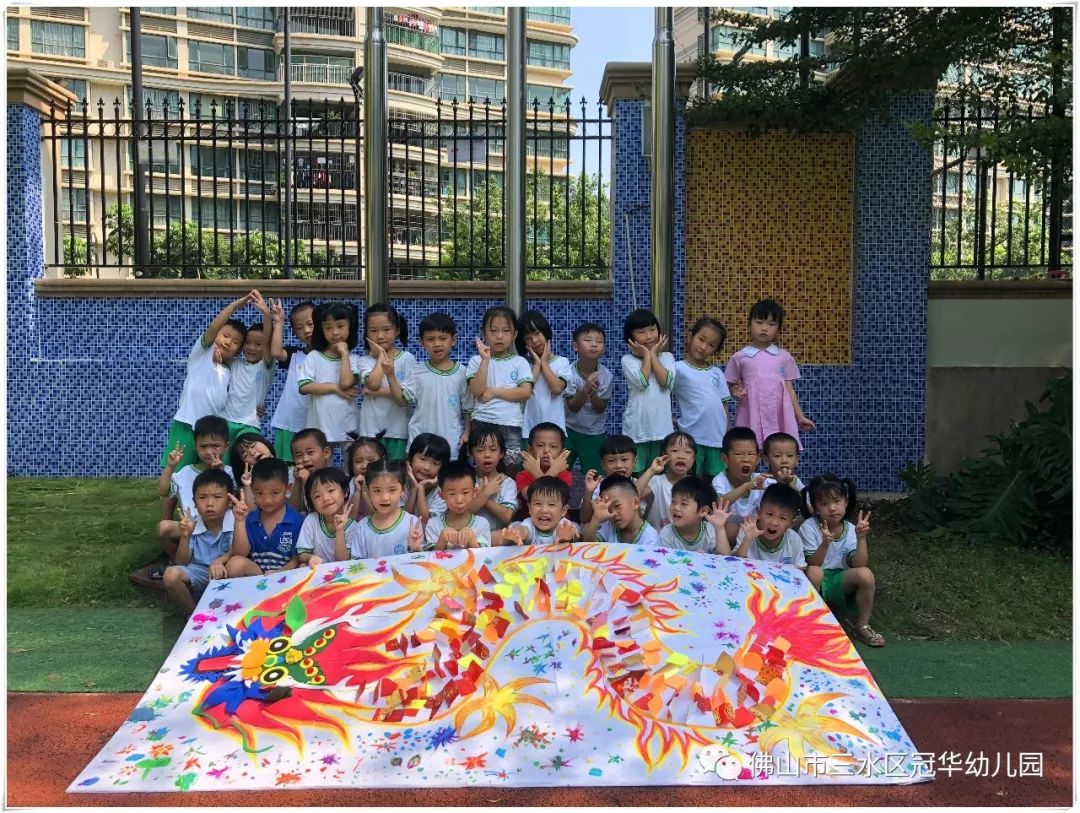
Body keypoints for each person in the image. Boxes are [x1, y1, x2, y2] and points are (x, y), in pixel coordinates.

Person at [160, 291, 252, 471]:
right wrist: (234, 306)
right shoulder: (201, 355)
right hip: (186, 423)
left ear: (238, 351)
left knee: (210, 474)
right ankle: (171, 499)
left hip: (211, 432)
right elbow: (212, 328)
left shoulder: (231, 369)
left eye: (235, 342)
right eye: (225, 335)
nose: (227, 342)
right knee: (175, 471)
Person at [800, 475, 883, 647]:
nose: (832, 508)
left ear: (845, 501)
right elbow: (812, 562)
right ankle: (810, 623)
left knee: (866, 574)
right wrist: (825, 544)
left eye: (837, 501)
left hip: (840, 580)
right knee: (815, 571)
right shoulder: (808, 527)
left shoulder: (852, 529)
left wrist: (861, 539)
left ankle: (863, 625)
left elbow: (858, 564)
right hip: (816, 581)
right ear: (815, 508)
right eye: (824, 504)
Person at [725, 298, 815, 450]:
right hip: (750, 413)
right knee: (749, 450)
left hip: (778, 414)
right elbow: (731, 383)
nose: (764, 328)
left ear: (778, 329)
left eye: (771, 324)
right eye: (759, 322)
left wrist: (800, 416)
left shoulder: (783, 357)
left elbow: (790, 390)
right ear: (749, 324)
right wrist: (736, 393)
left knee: (778, 452)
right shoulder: (740, 357)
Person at [466, 306, 534, 470]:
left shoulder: (520, 362)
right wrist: (485, 360)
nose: (499, 336)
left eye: (505, 331)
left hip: (510, 424)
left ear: (514, 334)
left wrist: (494, 391)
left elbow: (525, 392)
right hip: (481, 422)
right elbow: (477, 390)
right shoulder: (477, 360)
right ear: (484, 333)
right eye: (493, 330)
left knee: (511, 469)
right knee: (482, 470)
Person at [158, 415, 233, 561]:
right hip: (191, 526)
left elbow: (234, 500)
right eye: (203, 446)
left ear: (226, 446)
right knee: (163, 528)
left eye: (215, 446)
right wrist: (171, 466)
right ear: (195, 446)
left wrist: (220, 472)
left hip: (221, 528)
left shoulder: (229, 472)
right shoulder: (185, 472)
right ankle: (177, 561)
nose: (209, 451)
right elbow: (163, 491)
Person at [162, 468, 235, 614]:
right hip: (199, 572)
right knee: (170, 575)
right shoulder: (192, 524)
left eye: (217, 497)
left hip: (228, 571)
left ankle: (230, 610)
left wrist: (221, 560)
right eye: (202, 498)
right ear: (194, 502)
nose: (209, 503)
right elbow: (182, 562)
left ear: (229, 501)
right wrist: (185, 536)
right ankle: (194, 614)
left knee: (237, 565)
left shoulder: (235, 521)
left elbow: (241, 550)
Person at [403, 312, 472, 458]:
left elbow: (468, 409)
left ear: (453, 340)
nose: (437, 344)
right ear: (421, 342)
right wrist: (390, 374)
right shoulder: (416, 371)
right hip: (420, 440)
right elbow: (402, 400)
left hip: (452, 442)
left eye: (443, 338)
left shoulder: (463, 373)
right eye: (430, 339)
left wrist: (467, 432)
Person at [672, 316, 732, 478]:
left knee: (717, 480)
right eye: (701, 339)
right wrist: (669, 418)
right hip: (693, 437)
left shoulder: (717, 373)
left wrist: (727, 432)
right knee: (693, 479)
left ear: (716, 350)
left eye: (711, 345)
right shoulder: (678, 368)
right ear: (691, 337)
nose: (703, 347)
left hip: (717, 439)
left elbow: (724, 406)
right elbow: (662, 392)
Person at [224, 458, 303, 577]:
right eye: (259, 493)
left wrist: (279, 573)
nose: (267, 500)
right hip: (258, 577)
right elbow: (240, 553)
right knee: (234, 563)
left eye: (275, 493)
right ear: (252, 490)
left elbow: (298, 559)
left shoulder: (297, 520)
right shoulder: (250, 518)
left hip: (288, 576)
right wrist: (240, 521)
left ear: (288, 488)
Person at [357, 304, 415, 462]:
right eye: (373, 331)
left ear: (397, 330)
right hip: (370, 429)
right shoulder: (364, 361)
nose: (380, 336)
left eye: (386, 329)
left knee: (396, 475)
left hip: (398, 429)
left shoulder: (407, 358)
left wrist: (377, 393)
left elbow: (404, 398)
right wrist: (382, 356)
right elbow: (373, 384)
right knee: (371, 474)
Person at [298, 302, 361, 446]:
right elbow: (304, 387)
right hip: (320, 425)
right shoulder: (314, 356)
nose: (335, 332)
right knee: (321, 466)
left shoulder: (355, 360)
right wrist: (334, 388)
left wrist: (345, 354)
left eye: (340, 326)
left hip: (348, 423)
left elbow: (346, 383)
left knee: (351, 466)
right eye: (328, 328)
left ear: (350, 328)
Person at [620, 308, 675, 472]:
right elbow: (642, 382)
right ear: (631, 338)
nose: (650, 336)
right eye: (642, 332)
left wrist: (652, 356)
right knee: (636, 474)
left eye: (652, 329)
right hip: (637, 430)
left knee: (659, 474)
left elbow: (666, 383)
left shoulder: (667, 358)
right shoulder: (628, 360)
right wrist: (647, 355)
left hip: (662, 430)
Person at [222, 291, 273, 445]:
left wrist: (265, 312)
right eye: (248, 342)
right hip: (226, 422)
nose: (251, 347)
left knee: (246, 463)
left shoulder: (265, 367)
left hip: (249, 424)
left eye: (258, 344)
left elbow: (269, 341)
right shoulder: (234, 363)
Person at [268, 299, 316, 461]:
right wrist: (279, 323)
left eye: (311, 324)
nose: (307, 331)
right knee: (286, 469)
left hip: (314, 425)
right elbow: (275, 352)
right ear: (294, 333)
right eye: (300, 328)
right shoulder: (295, 355)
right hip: (289, 423)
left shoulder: (331, 357)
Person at [563, 322, 612, 475]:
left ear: (603, 349)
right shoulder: (568, 373)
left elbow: (600, 408)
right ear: (575, 346)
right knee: (560, 472)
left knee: (594, 476)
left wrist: (593, 393)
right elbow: (573, 406)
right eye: (588, 340)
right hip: (568, 430)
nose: (594, 344)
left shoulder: (606, 376)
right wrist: (585, 389)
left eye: (599, 341)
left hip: (594, 434)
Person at [349, 460, 423, 558]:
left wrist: (415, 549)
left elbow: (419, 564)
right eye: (377, 490)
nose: (384, 497)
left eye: (392, 490)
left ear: (403, 490)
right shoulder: (361, 527)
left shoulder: (412, 523)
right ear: (368, 491)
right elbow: (356, 565)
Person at [517, 309, 572, 439]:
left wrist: (544, 363)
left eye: (537, 333)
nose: (535, 340)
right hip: (528, 431)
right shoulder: (522, 363)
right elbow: (525, 392)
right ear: (523, 344)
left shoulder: (562, 362)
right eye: (528, 338)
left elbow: (557, 388)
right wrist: (536, 365)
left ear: (545, 332)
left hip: (556, 431)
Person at [711, 427, 768, 541]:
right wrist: (746, 487)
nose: (746, 459)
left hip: (753, 534)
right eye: (739, 454)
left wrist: (786, 483)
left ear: (758, 459)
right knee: (733, 526)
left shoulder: (762, 480)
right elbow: (719, 504)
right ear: (725, 458)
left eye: (751, 454)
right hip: (727, 535)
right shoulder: (720, 480)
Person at [296, 467, 360, 567]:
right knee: (303, 565)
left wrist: (339, 530)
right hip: (317, 574)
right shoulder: (311, 520)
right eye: (317, 496)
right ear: (311, 502)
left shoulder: (354, 528)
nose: (325, 498)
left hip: (343, 574)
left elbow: (343, 562)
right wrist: (310, 558)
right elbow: (302, 554)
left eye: (330, 490)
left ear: (345, 492)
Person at [732, 483, 806, 569]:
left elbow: (800, 570)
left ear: (792, 524)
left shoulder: (794, 540)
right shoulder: (748, 530)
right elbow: (735, 564)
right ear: (759, 512)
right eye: (770, 514)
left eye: (783, 518)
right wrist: (747, 539)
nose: (774, 522)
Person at [424, 460, 492, 550]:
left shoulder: (482, 524)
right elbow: (431, 559)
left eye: (465, 492)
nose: (459, 500)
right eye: (452, 494)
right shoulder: (434, 524)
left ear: (475, 492)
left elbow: (484, 558)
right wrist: (442, 539)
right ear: (442, 495)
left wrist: (472, 539)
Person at [637, 431, 698, 530]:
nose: (681, 456)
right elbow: (633, 496)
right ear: (664, 455)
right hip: (657, 541)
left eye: (687, 452)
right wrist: (651, 470)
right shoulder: (657, 481)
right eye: (674, 451)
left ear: (693, 459)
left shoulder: (696, 485)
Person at [659, 476, 732, 554]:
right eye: (673, 501)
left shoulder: (709, 531)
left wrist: (720, 528)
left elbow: (725, 558)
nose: (676, 507)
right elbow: (664, 563)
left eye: (684, 504)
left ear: (703, 511)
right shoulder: (666, 534)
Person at [498, 476, 580, 546]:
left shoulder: (563, 525)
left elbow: (574, 534)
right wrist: (516, 533)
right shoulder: (530, 524)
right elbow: (523, 531)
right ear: (529, 508)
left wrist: (567, 536)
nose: (544, 510)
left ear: (563, 510)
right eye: (538, 504)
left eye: (551, 505)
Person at [466, 422, 518, 531]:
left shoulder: (507, 483)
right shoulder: (466, 481)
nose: (487, 455)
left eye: (493, 449)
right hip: (471, 538)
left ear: (502, 454)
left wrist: (484, 496)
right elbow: (463, 514)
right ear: (471, 454)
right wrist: (485, 494)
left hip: (497, 540)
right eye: (480, 450)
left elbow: (506, 516)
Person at [583, 474, 661, 547]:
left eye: (617, 506)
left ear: (636, 502)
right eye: (608, 509)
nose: (613, 513)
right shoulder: (609, 526)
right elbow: (588, 547)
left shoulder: (650, 538)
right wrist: (596, 518)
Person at [578, 434, 639, 526]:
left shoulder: (639, 484)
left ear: (634, 461)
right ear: (603, 465)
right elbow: (584, 518)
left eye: (624, 459)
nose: (618, 465)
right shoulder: (597, 486)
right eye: (611, 461)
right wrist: (589, 492)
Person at [515, 422, 573, 505]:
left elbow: (558, 498)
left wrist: (538, 473)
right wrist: (553, 472)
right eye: (540, 445)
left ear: (562, 453)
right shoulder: (523, 475)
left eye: (553, 446)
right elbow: (530, 496)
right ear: (530, 451)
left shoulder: (565, 475)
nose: (546, 450)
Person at [403, 433, 451, 524]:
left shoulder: (442, 492)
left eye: (435, 463)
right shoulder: (399, 483)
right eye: (423, 459)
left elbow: (426, 523)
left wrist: (420, 488)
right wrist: (414, 489)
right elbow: (399, 522)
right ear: (410, 458)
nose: (427, 467)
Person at [288, 428, 333, 513]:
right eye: (299, 456)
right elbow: (293, 511)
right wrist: (298, 482)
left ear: (326, 453)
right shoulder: (293, 475)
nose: (305, 459)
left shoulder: (334, 478)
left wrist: (307, 482)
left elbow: (321, 512)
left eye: (310, 453)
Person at [344, 435, 387, 520]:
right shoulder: (351, 483)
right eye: (358, 461)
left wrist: (364, 493)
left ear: (382, 460)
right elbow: (349, 520)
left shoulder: (386, 482)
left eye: (371, 460)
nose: (364, 466)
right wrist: (357, 491)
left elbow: (376, 520)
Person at [762, 431, 806, 498]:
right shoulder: (762, 481)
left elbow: (803, 502)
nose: (784, 461)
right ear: (766, 460)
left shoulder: (795, 480)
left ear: (797, 460)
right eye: (777, 456)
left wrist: (790, 485)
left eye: (790, 455)